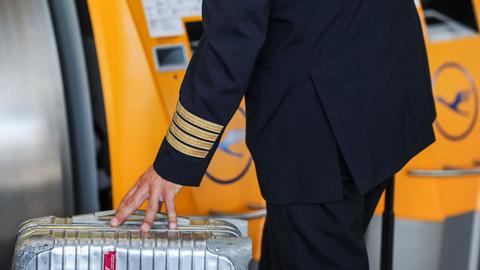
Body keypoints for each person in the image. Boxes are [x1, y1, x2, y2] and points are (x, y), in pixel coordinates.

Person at [110, 0, 436, 268]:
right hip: (385, 83)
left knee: (310, 248)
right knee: (295, 247)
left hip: (318, 125)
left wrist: (174, 161)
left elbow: (231, 41)